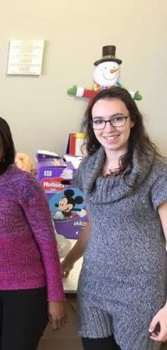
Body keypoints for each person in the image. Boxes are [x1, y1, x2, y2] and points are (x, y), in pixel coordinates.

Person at [61, 86, 167, 349]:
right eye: (99, 121)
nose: (108, 128)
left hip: (141, 290)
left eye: (117, 118)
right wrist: (70, 260)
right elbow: (93, 222)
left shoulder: (157, 172)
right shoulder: (89, 168)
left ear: (132, 120)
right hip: (94, 284)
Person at [0, 114, 67, 350]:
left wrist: (56, 297)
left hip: (25, 289)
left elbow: (47, 240)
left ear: (6, 150)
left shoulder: (24, 184)